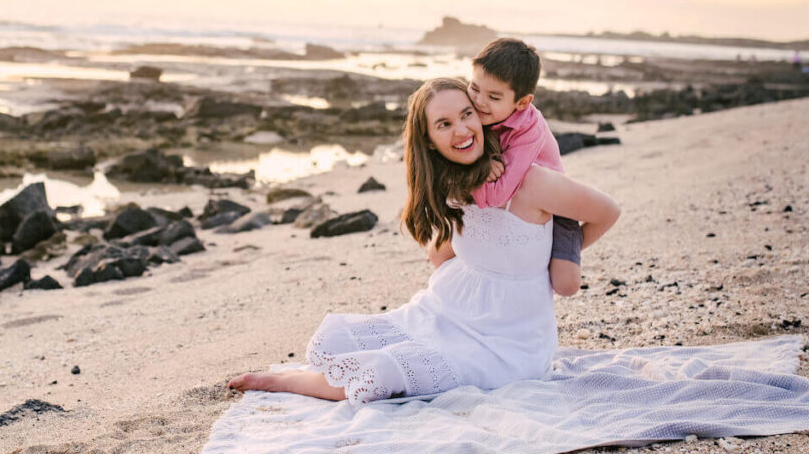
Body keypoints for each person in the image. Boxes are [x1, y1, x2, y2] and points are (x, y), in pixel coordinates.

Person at [228, 77, 620, 405]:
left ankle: (284, 383)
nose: (462, 130)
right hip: (450, 309)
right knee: (342, 337)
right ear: (430, 140)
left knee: (384, 370)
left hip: (510, 341)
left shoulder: (534, 182)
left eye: (468, 115)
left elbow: (608, 211)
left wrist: (549, 260)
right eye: (444, 123)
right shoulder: (455, 183)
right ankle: (306, 378)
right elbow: (443, 256)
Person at [431, 38, 582, 296]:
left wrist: (474, 173)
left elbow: (500, 191)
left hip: (550, 205)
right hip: (507, 202)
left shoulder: (529, 129)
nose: (479, 101)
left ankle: (548, 250)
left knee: (566, 284)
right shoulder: (485, 110)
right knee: (437, 255)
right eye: (474, 88)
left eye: (493, 96)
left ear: (522, 102)